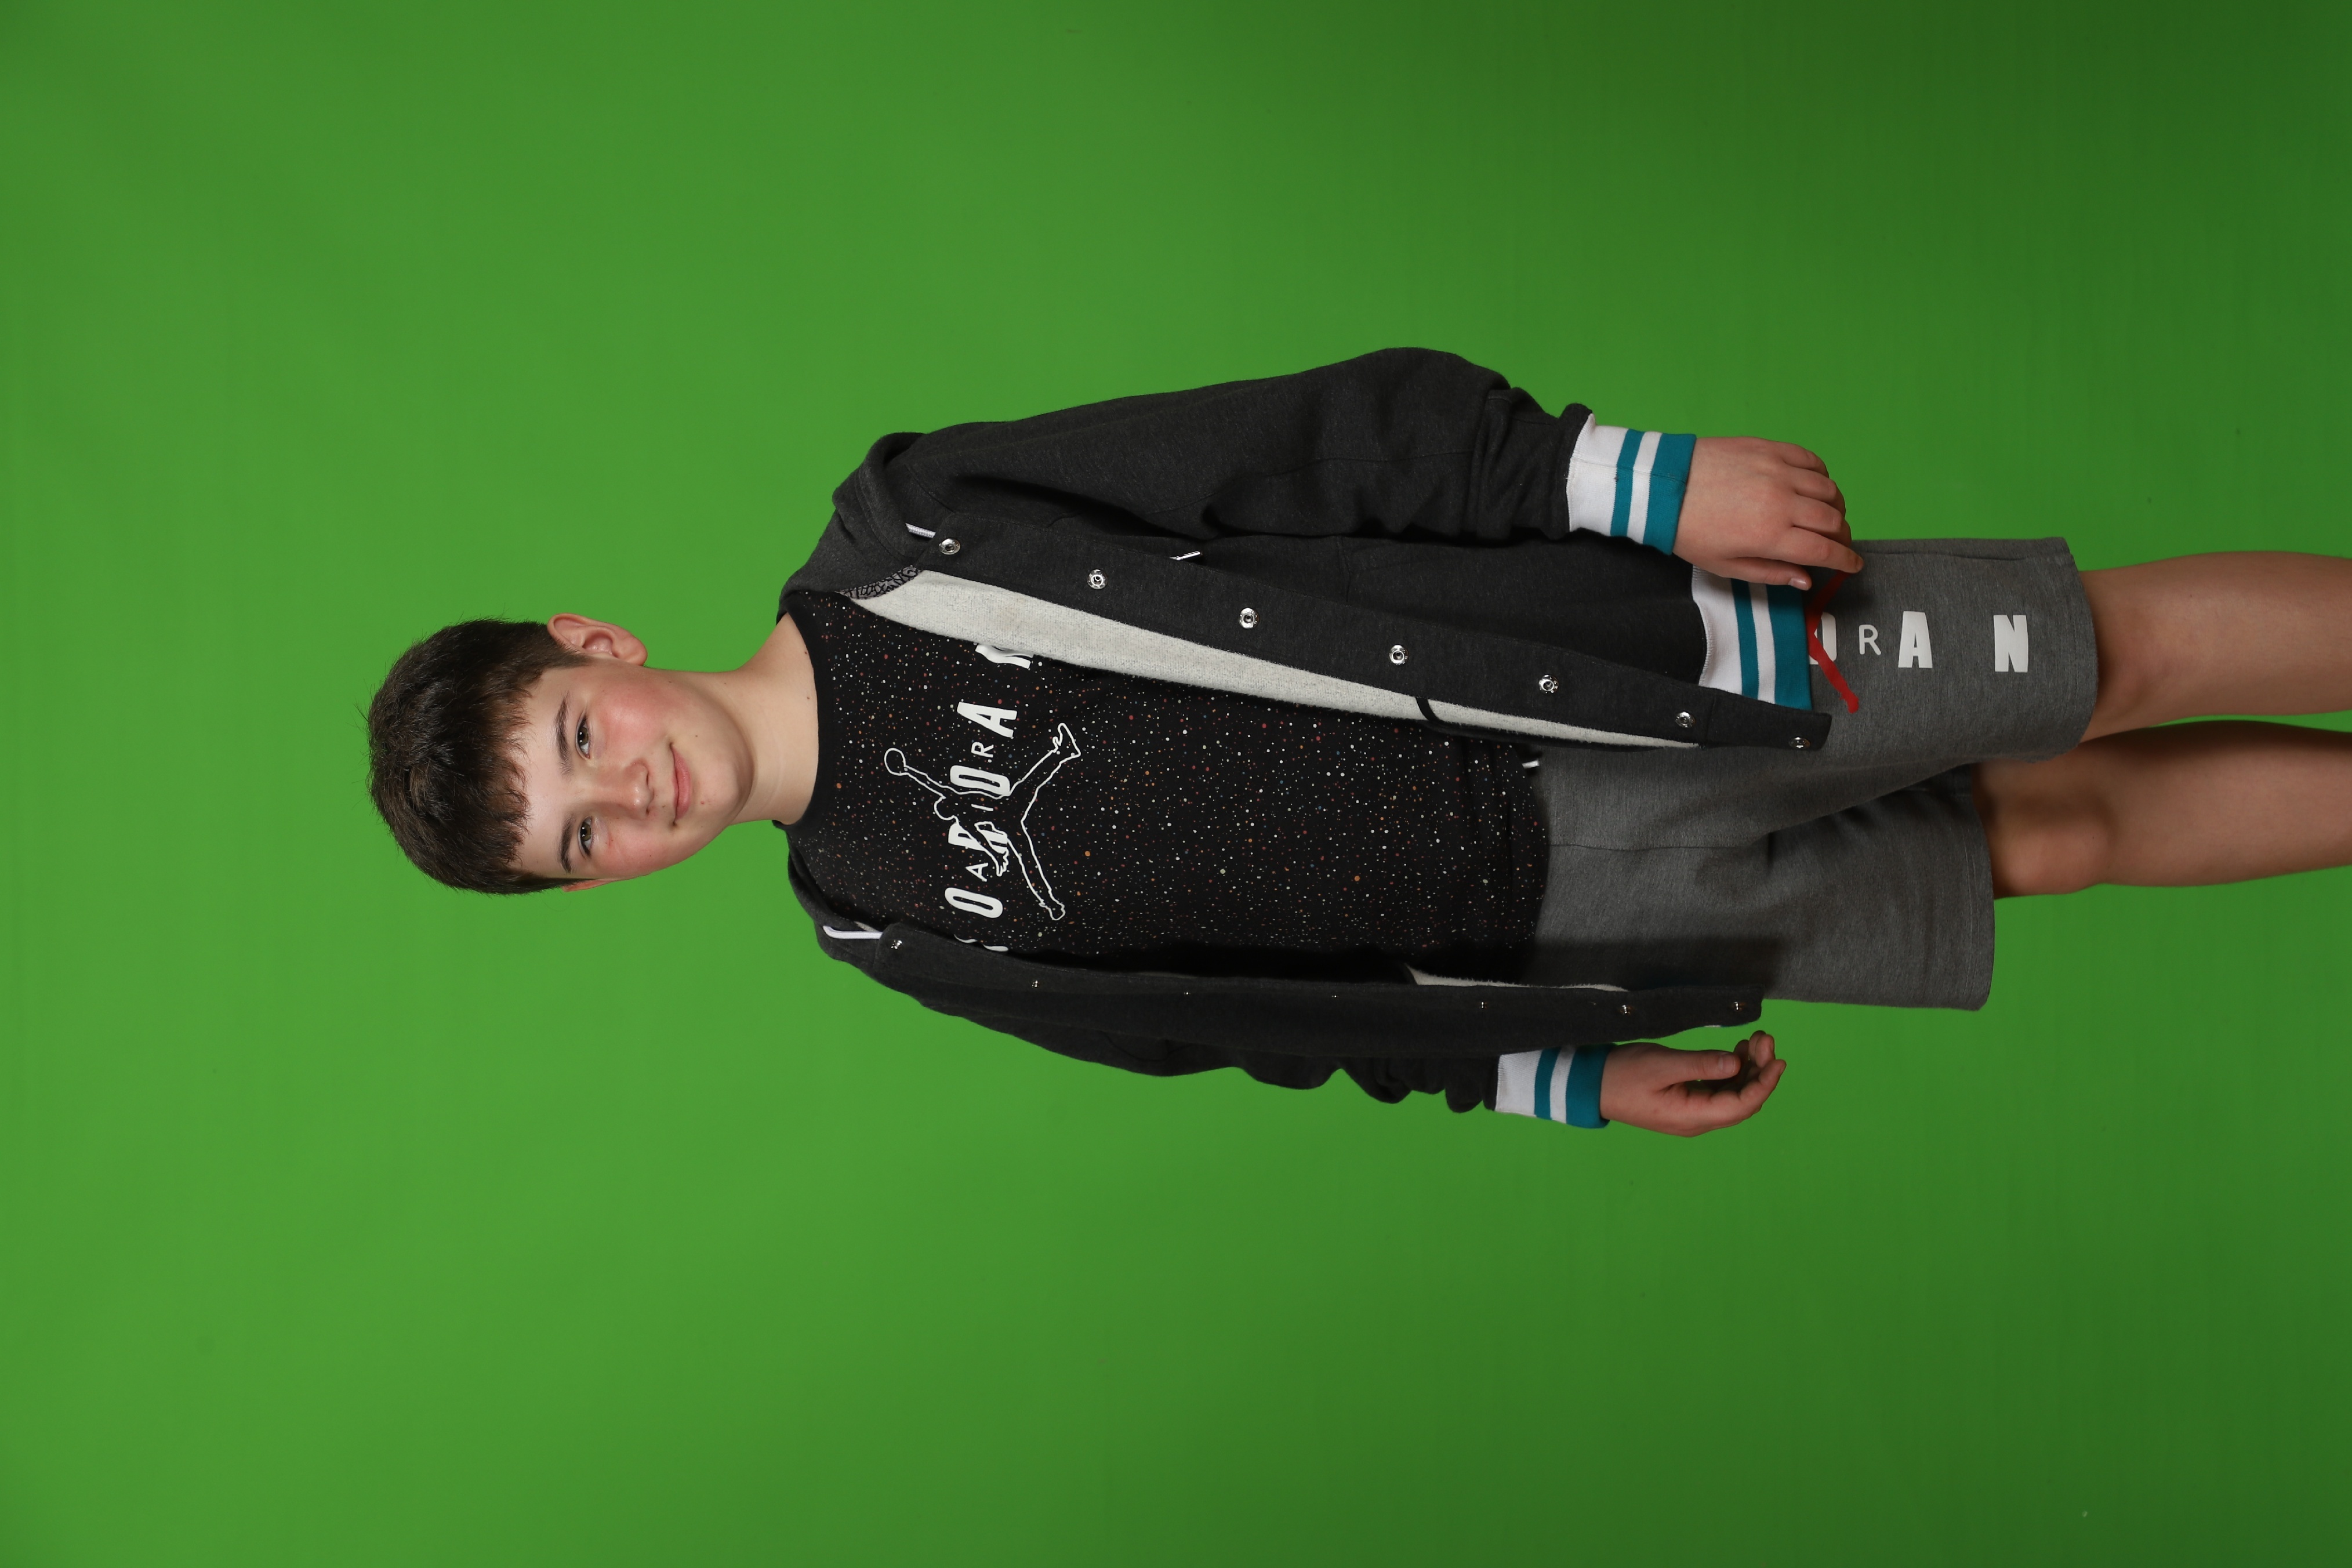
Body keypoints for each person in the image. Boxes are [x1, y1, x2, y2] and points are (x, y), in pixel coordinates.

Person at [365, 350, 2352, 1137]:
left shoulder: (916, 538)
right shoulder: (880, 924)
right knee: (2047, 844)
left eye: (579, 737)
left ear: (598, 644)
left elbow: (1294, 443)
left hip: (1594, 674)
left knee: (2107, 661)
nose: (626, 793)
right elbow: (1234, 1019)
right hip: (1574, 914)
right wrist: (1538, 1077)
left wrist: (1618, 478)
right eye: (578, 837)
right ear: (601, 883)